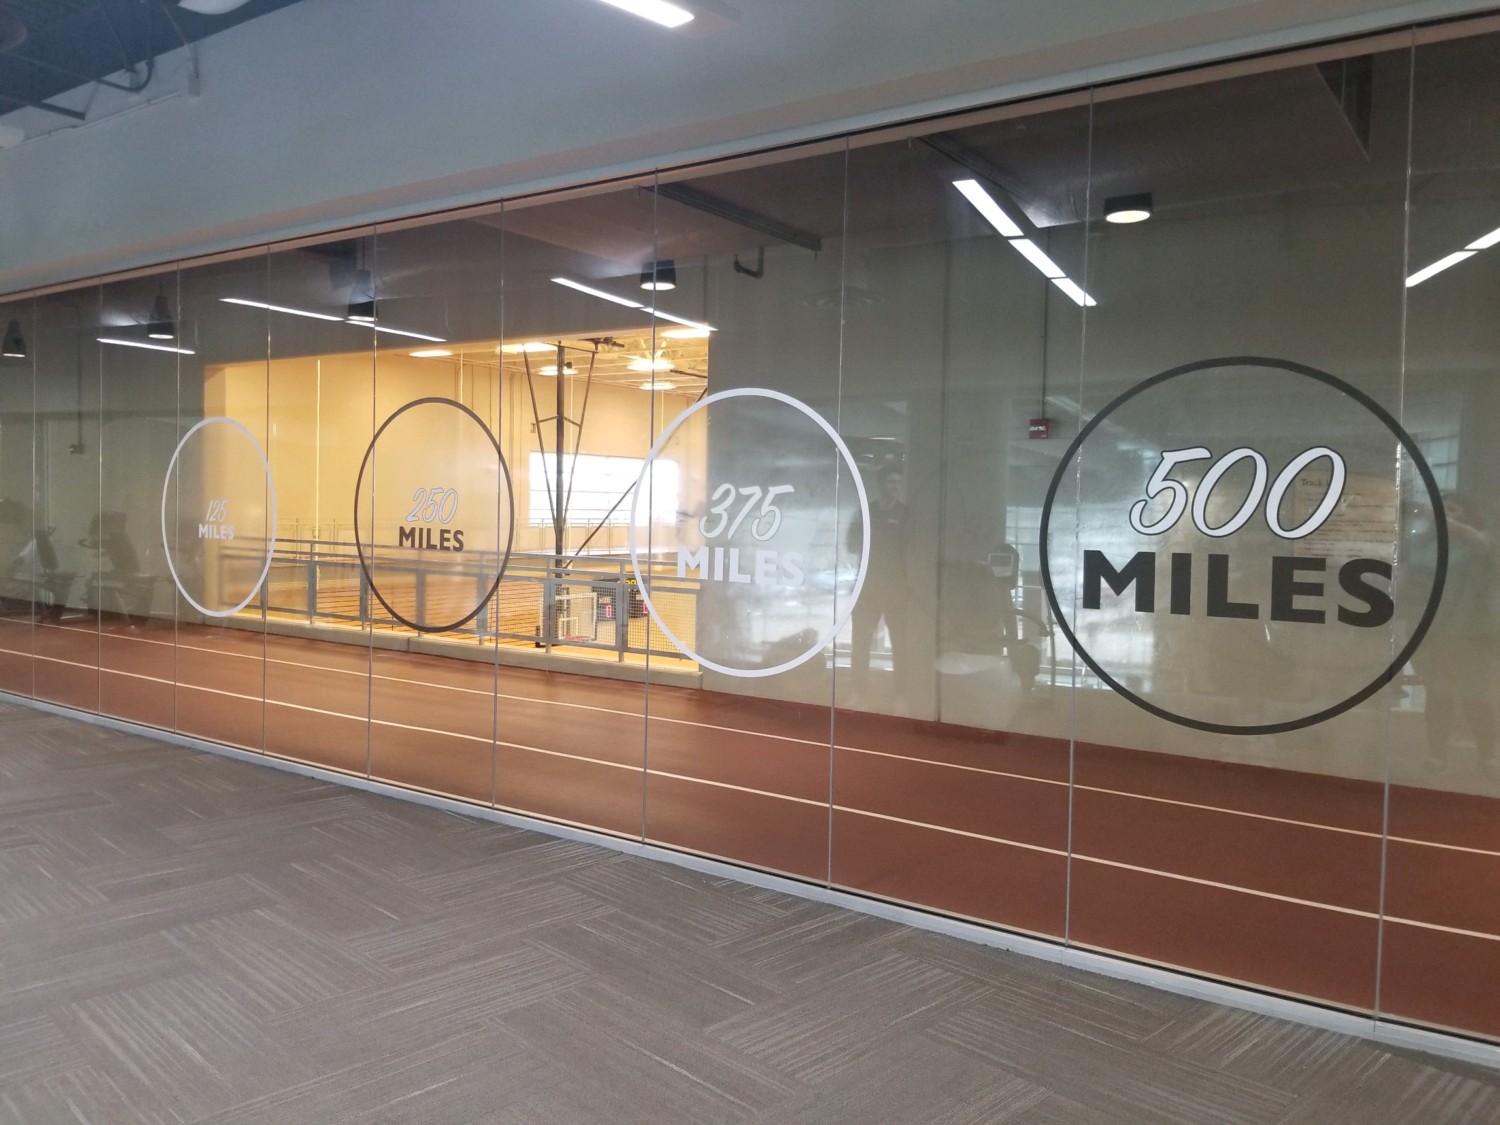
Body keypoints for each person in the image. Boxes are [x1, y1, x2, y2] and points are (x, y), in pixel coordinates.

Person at [1411, 492, 1498, 779]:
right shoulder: (1423, 545)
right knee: (1438, 697)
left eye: (1452, 509)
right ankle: (1436, 757)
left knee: (1477, 700)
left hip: (1474, 637)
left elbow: (1480, 541)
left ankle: (1488, 757)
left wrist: (1436, 514)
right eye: (1442, 509)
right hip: (1434, 636)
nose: (1445, 515)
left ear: (1467, 513)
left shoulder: (1482, 540)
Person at [848, 462, 908, 706]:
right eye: (891, 482)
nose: (895, 487)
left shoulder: (906, 514)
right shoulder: (866, 512)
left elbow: (912, 551)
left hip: (897, 590)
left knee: (900, 644)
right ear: (880, 484)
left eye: (898, 483)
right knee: (860, 642)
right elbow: (852, 544)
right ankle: (858, 693)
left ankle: (900, 696)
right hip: (868, 588)